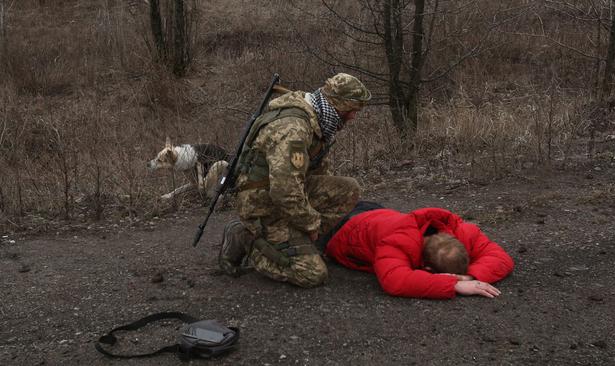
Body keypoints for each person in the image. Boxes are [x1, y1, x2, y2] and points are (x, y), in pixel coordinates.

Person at [217, 73, 371, 288]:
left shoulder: (317, 119)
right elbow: (284, 189)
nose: (354, 116)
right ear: (337, 104)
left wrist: (311, 219)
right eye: (352, 109)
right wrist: (311, 222)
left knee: (348, 190)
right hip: (262, 203)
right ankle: (246, 238)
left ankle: (293, 239)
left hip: (280, 194)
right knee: (311, 274)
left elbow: (316, 175)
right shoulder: (294, 128)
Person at [323, 203, 515, 299]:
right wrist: (453, 285)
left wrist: (471, 277)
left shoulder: (462, 232)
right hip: (343, 226)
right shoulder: (397, 242)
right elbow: (395, 280)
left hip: (378, 213)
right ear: (428, 269)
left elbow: (501, 258)